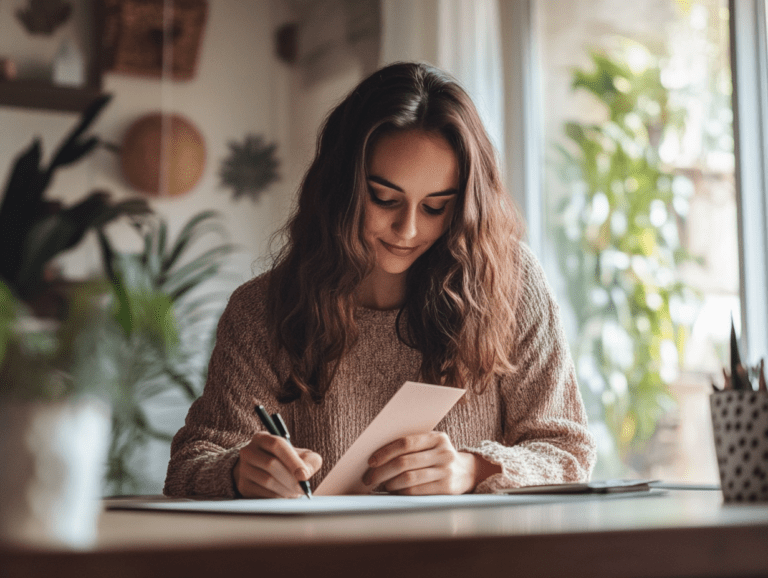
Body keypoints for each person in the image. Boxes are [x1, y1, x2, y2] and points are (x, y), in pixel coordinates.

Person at [164, 62, 596, 499]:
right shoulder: (262, 310)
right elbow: (189, 465)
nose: (408, 230)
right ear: (341, 188)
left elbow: (568, 450)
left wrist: (472, 469)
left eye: (435, 207)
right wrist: (239, 472)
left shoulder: (509, 283)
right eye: (385, 199)